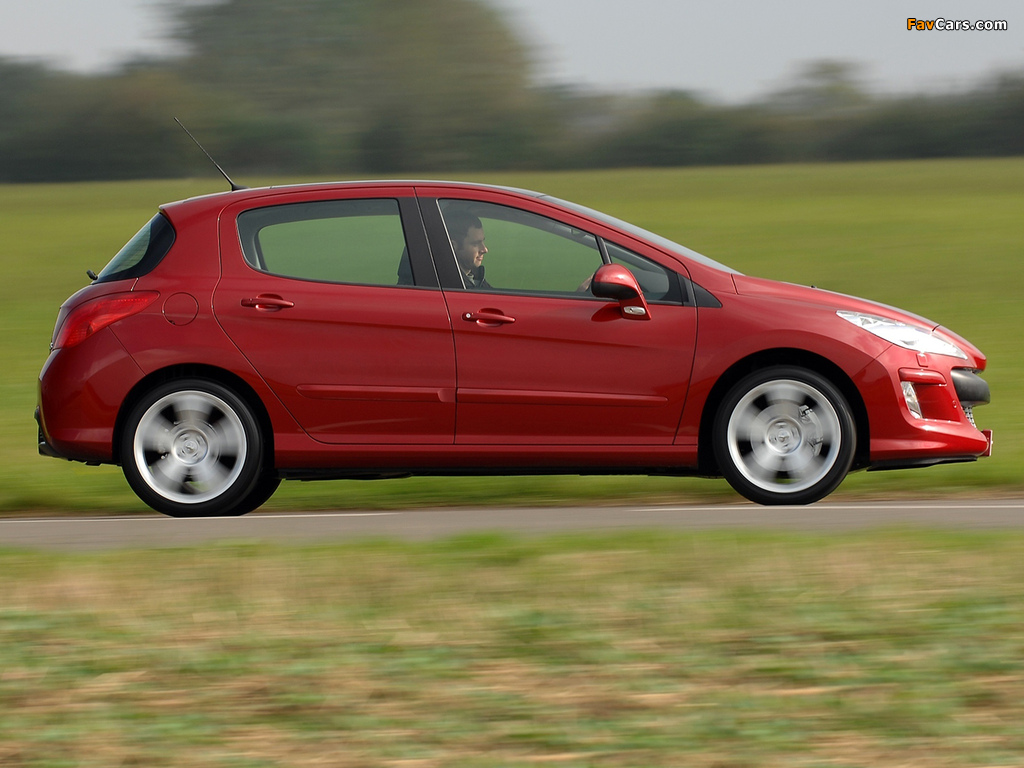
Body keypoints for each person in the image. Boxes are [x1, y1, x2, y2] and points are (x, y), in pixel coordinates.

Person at [445, 210, 492, 289]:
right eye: (475, 244)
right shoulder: (452, 286)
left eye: (482, 241)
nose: (485, 250)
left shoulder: (477, 279)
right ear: (453, 246)